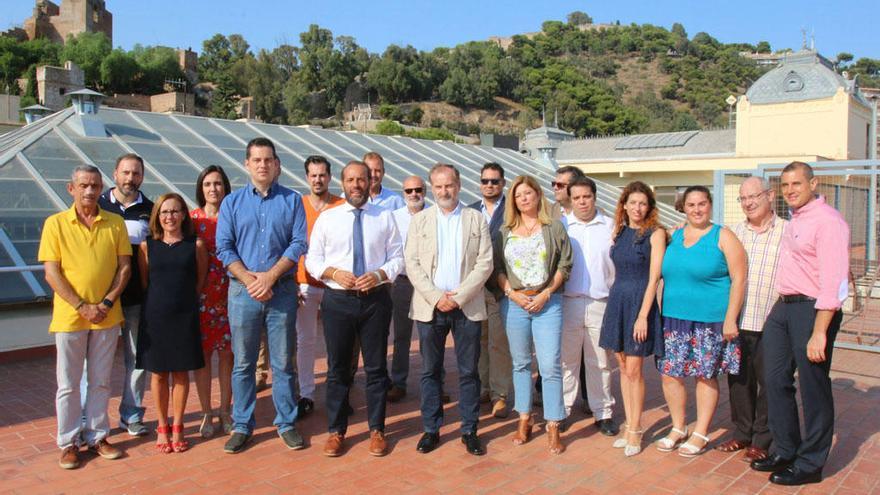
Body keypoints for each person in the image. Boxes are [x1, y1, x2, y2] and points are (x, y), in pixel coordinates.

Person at [751, 162, 849, 486]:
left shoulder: (829, 222)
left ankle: (810, 464)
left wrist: (820, 331)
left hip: (812, 310)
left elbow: (834, 282)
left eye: (797, 183)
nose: (790, 190)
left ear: (813, 183)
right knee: (774, 377)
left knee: (813, 387)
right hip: (784, 307)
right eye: (785, 185)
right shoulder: (796, 218)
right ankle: (786, 449)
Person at [215, 137, 308, 453]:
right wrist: (250, 279)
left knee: (283, 363)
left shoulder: (293, 201)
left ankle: (286, 423)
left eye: (268, 159)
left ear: (277, 164)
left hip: (281, 292)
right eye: (256, 160)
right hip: (243, 294)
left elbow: (298, 244)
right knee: (244, 363)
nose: (263, 165)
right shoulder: (232, 203)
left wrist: (269, 277)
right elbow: (224, 248)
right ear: (247, 164)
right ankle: (242, 425)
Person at [306, 160, 404, 458]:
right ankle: (336, 431)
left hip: (375, 299)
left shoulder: (384, 217)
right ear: (343, 182)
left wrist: (379, 274)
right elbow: (312, 260)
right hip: (338, 301)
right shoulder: (328, 218)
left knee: (375, 368)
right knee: (337, 370)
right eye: (350, 180)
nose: (356, 185)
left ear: (369, 181)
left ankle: (377, 430)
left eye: (361, 179)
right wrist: (333, 273)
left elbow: (398, 257)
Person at [40, 165, 131, 469]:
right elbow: (51, 272)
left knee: (101, 381)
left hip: (106, 314)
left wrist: (105, 302)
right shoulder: (55, 224)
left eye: (94, 185)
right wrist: (81, 305)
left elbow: (125, 268)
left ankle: (97, 436)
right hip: (70, 317)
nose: (89, 191)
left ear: (101, 187)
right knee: (68, 383)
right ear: (71, 188)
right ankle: (68, 442)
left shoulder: (115, 223)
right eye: (83, 186)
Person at [406, 164, 493, 456]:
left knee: (469, 371)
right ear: (432, 188)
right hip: (431, 308)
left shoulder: (475, 219)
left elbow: (485, 263)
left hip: (466, 306)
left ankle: (469, 429)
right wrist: (435, 297)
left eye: (450, 185)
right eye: (439, 186)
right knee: (430, 371)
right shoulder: (420, 221)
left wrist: (458, 297)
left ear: (458, 185)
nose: (444, 191)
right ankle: (431, 429)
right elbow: (412, 264)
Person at [655, 186, 746, 457]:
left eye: (702, 204)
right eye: (691, 204)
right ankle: (678, 427)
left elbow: (739, 278)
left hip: (710, 321)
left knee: (704, 375)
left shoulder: (723, 236)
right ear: (683, 207)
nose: (697, 209)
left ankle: (701, 431)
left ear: (710, 205)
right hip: (673, 319)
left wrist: (731, 318)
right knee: (670, 374)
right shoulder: (673, 236)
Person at [494, 175, 572, 454]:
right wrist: (513, 295)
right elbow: (498, 269)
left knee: (550, 366)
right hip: (515, 303)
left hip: (546, 304)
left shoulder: (553, 228)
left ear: (538, 196)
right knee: (521, 364)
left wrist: (546, 293)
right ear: (513, 200)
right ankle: (524, 419)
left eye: (528, 193)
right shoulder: (504, 231)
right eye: (518, 195)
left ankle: (553, 423)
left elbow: (565, 263)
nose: (524, 198)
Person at [715, 177, 786, 463]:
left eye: (754, 196)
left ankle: (762, 439)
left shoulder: (788, 231)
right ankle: (742, 432)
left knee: (770, 383)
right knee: (739, 380)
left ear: (769, 196)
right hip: (739, 320)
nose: (749, 203)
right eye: (743, 199)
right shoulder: (733, 234)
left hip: (774, 322)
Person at [136, 193, 208, 453]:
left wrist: (183, 302)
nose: (170, 217)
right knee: (158, 374)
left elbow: (199, 281)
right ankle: (162, 426)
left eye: (175, 211)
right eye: (165, 212)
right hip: (155, 318)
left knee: (180, 372)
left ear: (183, 215)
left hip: (184, 316)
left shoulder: (195, 245)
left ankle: (177, 426)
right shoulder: (147, 246)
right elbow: (145, 283)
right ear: (158, 216)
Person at [599, 181, 666, 457]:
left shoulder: (656, 234)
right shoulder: (620, 232)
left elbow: (654, 279)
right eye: (633, 203)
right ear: (624, 205)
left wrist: (642, 316)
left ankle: (637, 429)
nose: (637, 208)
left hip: (640, 302)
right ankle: (629, 424)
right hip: (618, 300)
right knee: (623, 367)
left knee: (635, 371)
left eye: (643, 203)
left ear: (649, 206)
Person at [98, 153, 153, 437]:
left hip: (136, 299)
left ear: (142, 176)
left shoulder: (151, 210)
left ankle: (130, 415)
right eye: (126, 173)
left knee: (137, 358)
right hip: (102, 299)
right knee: (97, 361)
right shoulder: (98, 205)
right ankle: (92, 419)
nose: (130, 178)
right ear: (115, 173)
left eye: (136, 173)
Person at [560, 177, 618, 436]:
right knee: (566, 361)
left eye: (587, 197)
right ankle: (561, 410)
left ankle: (603, 412)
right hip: (568, 303)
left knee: (600, 361)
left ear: (595, 197)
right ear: (570, 200)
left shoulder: (610, 227)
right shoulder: (562, 227)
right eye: (577, 198)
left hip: (600, 302)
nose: (582, 202)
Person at [295, 155, 345, 417]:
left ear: (329, 177)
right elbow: (288, 244)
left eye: (322, 174)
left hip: (335, 286)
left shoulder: (342, 206)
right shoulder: (297, 205)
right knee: (305, 342)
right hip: (304, 283)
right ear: (307, 177)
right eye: (313, 175)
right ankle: (306, 394)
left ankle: (340, 392)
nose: (318, 179)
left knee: (338, 341)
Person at [191, 165, 234, 438]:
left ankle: (225, 410)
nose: (213, 189)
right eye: (208, 184)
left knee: (228, 357)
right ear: (201, 188)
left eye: (218, 183)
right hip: (201, 294)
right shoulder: (191, 219)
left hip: (231, 293)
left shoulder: (234, 216)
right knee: (203, 357)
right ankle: (206, 412)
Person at [468, 162, 512, 418]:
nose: (489, 185)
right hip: (475, 288)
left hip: (501, 287)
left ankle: (500, 394)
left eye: (494, 181)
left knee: (498, 343)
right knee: (479, 341)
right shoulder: (471, 211)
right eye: (485, 181)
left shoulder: (511, 211)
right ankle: (484, 387)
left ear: (503, 183)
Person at [387, 175, 427, 402]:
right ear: (403, 194)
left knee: (429, 335)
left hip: (428, 284)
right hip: (402, 282)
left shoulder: (434, 216)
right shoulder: (393, 218)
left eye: (418, 189)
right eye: (409, 190)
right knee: (401, 336)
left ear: (425, 191)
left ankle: (434, 383)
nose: (414, 194)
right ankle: (399, 381)